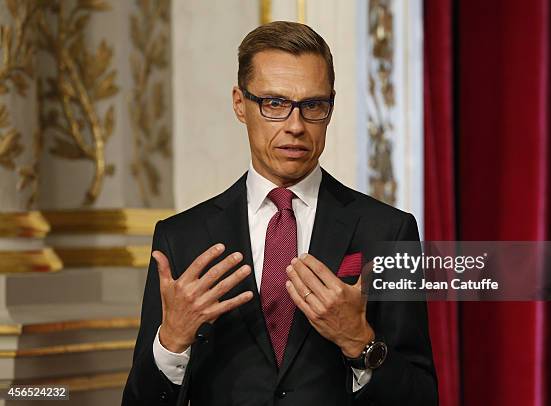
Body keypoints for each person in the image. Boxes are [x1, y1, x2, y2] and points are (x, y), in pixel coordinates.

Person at [122, 21, 437, 406]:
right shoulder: (182, 238)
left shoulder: (389, 231)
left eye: (313, 106)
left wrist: (359, 341)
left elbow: (421, 397)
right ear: (240, 103)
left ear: (330, 106)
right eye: (274, 104)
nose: (295, 126)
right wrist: (171, 342)